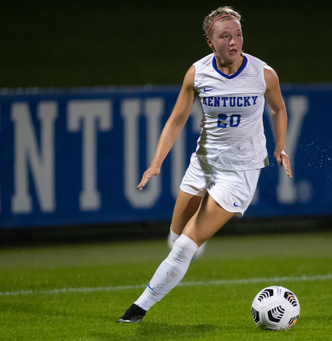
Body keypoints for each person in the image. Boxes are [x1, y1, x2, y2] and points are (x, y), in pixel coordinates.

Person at [117, 6, 292, 323]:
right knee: (175, 236)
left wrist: (280, 147)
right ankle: (187, 247)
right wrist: (156, 163)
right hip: (204, 163)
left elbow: (279, 109)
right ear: (210, 42)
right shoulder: (197, 74)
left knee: (184, 245)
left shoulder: (263, 74)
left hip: (241, 171)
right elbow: (176, 120)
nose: (234, 41)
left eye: (238, 34)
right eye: (225, 36)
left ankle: (136, 310)